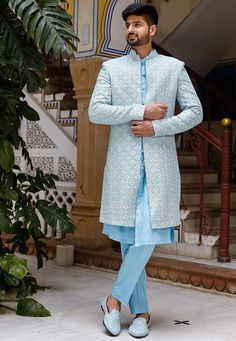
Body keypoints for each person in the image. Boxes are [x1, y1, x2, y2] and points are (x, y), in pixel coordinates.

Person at [89, 3, 203, 338]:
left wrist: (159, 127)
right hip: (124, 169)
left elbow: (195, 112)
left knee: (148, 235)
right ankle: (141, 313)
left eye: (137, 24)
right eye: (128, 24)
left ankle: (113, 300)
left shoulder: (173, 68)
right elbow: (96, 111)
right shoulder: (110, 70)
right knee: (129, 240)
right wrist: (140, 110)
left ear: (152, 30)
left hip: (159, 169)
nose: (131, 30)